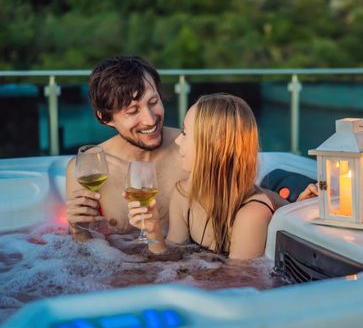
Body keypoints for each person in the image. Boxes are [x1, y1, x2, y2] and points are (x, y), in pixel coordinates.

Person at [128, 94, 292, 259]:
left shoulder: (251, 214)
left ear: (214, 145)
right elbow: (171, 262)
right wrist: (153, 231)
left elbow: (238, 280)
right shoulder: (184, 194)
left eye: (185, 132)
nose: (177, 140)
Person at [65, 55, 187, 241]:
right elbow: (83, 251)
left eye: (153, 102)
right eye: (133, 111)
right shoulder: (89, 169)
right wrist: (77, 229)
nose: (150, 119)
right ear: (105, 118)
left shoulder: (191, 150)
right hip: (121, 265)